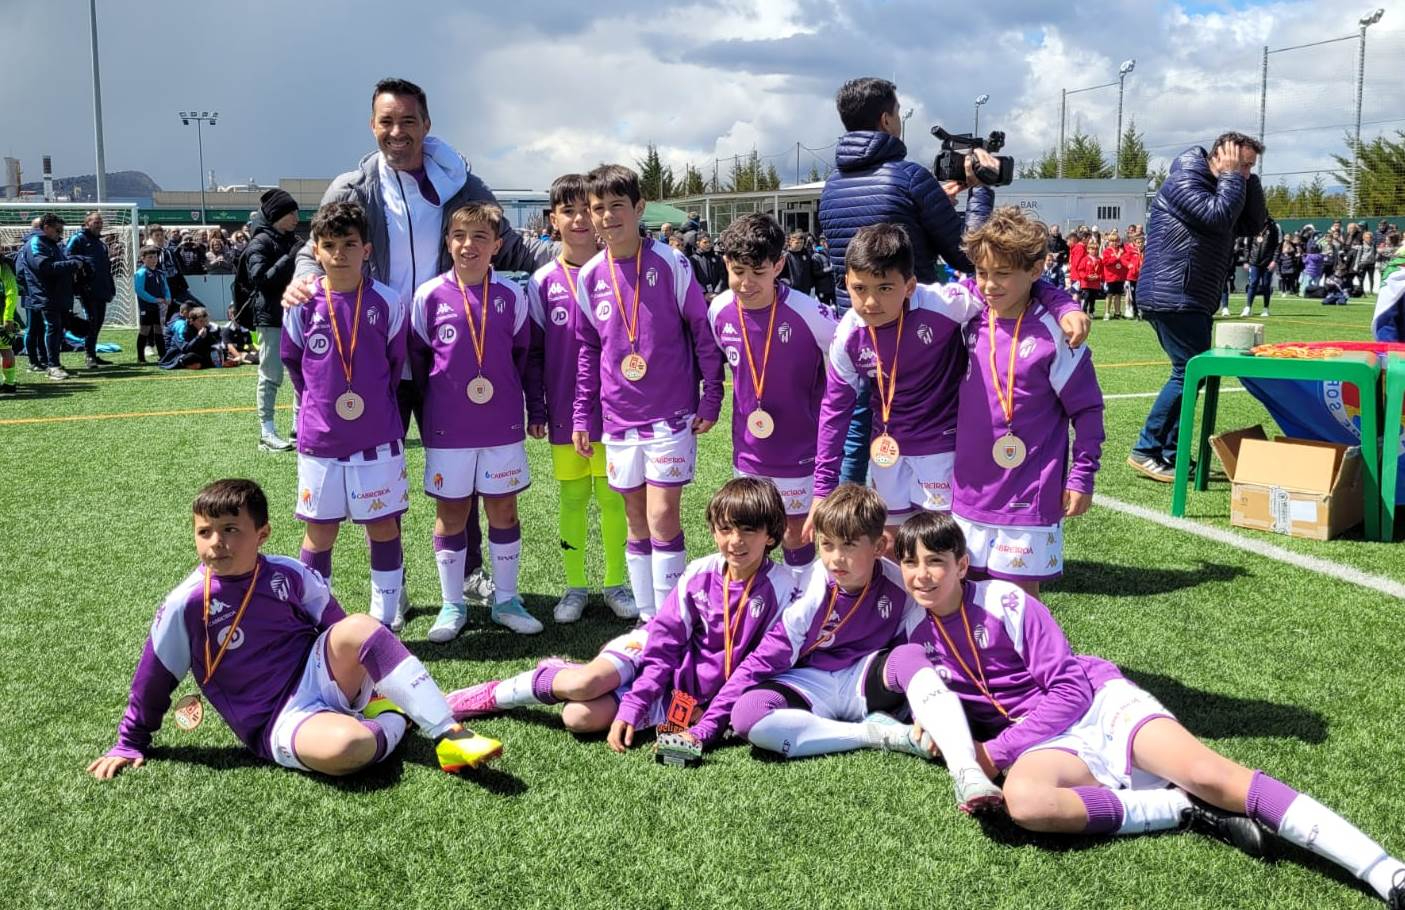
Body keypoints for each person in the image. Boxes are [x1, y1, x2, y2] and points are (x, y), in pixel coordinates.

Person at [890, 511, 1405, 908]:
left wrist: (996, 751)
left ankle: (1384, 870)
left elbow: (1069, 690)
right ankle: (1179, 809)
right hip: (1045, 742)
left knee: (1210, 774)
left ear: (961, 565)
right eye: (911, 563)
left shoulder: (1006, 601)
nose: (922, 575)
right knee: (1025, 804)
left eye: (936, 561)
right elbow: (938, 700)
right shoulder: (916, 635)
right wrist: (930, 724)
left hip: (1095, 704)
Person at [286, 77, 552, 612]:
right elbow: (317, 246)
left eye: (408, 121)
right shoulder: (351, 187)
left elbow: (511, 244)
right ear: (372, 126)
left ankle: (471, 576)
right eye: (387, 121)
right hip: (373, 356)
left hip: (446, 356)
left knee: (462, 470)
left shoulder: (460, 183)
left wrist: (573, 263)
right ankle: (395, 587)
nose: (397, 132)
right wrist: (302, 278)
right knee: (379, 481)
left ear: (426, 125)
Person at [87, 479, 502, 780]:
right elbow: (153, 678)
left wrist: (364, 674)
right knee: (350, 748)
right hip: (276, 719)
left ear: (262, 534)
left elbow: (340, 629)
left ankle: (448, 733)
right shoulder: (187, 603)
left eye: (230, 529)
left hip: (317, 673)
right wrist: (131, 740)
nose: (216, 542)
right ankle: (395, 715)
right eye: (204, 532)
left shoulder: (288, 573)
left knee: (360, 625)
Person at [448, 478, 794, 752]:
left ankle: (571, 671)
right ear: (713, 531)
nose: (735, 541)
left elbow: (754, 671)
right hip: (649, 651)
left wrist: (706, 725)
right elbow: (664, 644)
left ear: (771, 535)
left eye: (749, 530)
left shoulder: (784, 591)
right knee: (583, 684)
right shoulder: (699, 574)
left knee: (577, 717)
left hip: (686, 695)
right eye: (726, 529)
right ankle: (493, 695)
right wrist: (633, 706)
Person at [712, 484, 1002, 810]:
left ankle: (967, 772)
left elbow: (925, 646)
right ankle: (878, 734)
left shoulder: (899, 584)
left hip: (864, 677)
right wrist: (707, 727)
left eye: (849, 545)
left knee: (910, 655)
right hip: (809, 682)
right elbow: (763, 660)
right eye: (827, 545)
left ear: (879, 546)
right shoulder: (810, 588)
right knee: (748, 716)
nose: (836, 558)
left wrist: (921, 709)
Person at [811, 223, 1085, 533]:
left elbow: (1013, 283)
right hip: (887, 452)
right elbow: (834, 411)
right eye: (859, 289)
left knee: (940, 544)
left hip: (942, 449)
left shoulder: (943, 303)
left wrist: (1063, 305)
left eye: (884, 288)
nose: (871, 302)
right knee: (890, 543)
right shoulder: (848, 335)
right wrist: (822, 489)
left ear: (910, 286)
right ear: (846, 283)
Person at [818, 77, 996, 487]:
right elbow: (966, 254)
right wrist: (981, 191)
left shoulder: (832, 186)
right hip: (912, 324)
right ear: (886, 119)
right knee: (926, 428)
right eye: (897, 114)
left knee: (857, 425)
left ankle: (847, 514)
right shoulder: (909, 177)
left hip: (858, 326)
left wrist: (931, 203)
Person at [571, 164, 725, 622]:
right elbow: (588, 350)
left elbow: (701, 331)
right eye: (599, 208)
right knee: (636, 519)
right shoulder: (590, 276)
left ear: (639, 208)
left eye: (617, 205)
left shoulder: (672, 263)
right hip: (619, 419)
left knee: (662, 516)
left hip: (670, 415)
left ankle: (671, 618)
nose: (607, 216)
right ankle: (645, 617)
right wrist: (582, 414)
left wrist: (712, 394)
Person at [408, 202, 546, 640]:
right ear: (448, 242)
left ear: (496, 245)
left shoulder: (512, 296)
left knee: (504, 510)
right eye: (460, 236)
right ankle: (452, 605)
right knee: (451, 513)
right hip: (449, 428)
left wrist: (532, 408)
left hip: (501, 426)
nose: (469, 245)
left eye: (480, 237)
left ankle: (506, 600)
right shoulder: (428, 296)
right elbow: (418, 360)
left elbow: (524, 357)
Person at [952, 208, 1104, 596]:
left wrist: (1082, 475)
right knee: (966, 598)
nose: (989, 285)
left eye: (1002, 274)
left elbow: (1087, 410)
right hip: (969, 493)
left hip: (1027, 495)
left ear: (1035, 270)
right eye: (982, 272)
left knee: (1018, 604)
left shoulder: (1055, 333)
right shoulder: (968, 315)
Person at [281, 201, 408, 629]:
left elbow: (394, 363)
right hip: (320, 440)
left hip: (377, 437)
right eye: (330, 245)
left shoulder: (387, 301)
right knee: (320, 533)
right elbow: (294, 361)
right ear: (316, 250)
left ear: (366, 250)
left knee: (383, 526)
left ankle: (383, 619)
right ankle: (317, 620)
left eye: (349, 244)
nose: (339, 254)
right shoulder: (301, 304)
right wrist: (318, 403)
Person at [524, 174, 634, 625]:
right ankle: (574, 587)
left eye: (586, 210)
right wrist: (537, 407)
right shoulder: (541, 282)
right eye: (567, 212)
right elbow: (533, 352)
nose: (579, 220)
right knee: (572, 496)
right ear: (553, 220)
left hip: (616, 410)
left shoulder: (619, 271)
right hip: (565, 411)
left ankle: (616, 583)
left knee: (612, 498)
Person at [1129, 132, 1267, 482]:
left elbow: (1251, 225)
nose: (1244, 172)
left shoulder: (1227, 185)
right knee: (1188, 371)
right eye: (1241, 164)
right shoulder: (1184, 180)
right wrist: (1233, 177)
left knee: (1194, 373)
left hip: (1190, 295)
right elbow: (1217, 217)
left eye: (1250, 167)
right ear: (1219, 156)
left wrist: (1247, 181)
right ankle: (1147, 449)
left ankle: (1172, 454)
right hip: (1173, 293)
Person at [709, 213, 836, 566]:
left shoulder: (809, 312)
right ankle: (760, 598)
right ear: (726, 264)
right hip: (749, 449)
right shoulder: (719, 310)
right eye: (738, 271)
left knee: (796, 533)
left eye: (758, 272)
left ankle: (801, 598)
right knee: (750, 533)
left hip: (801, 450)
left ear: (778, 265)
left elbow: (847, 353)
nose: (746, 283)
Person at [241, 188, 303, 452]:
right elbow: (261, 280)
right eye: (292, 213)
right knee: (271, 374)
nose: (297, 218)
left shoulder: (294, 240)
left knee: (302, 374)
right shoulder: (260, 242)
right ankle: (266, 433)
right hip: (271, 318)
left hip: (297, 316)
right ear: (277, 215)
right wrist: (290, 258)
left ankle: (298, 427)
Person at [16, 213, 83, 381]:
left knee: (55, 329)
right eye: (58, 230)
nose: (60, 234)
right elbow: (44, 267)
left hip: (54, 294)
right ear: (46, 228)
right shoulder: (36, 243)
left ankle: (52, 363)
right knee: (45, 328)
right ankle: (49, 365)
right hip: (44, 294)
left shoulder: (50, 243)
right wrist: (73, 264)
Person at [65, 211, 116, 368]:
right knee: (91, 321)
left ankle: (92, 353)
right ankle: (89, 356)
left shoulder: (101, 243)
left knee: (98, 322)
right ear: (87, 224)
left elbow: (105, 268)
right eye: (95, 222)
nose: (99, 225)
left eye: (100, 222)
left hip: (101, 289)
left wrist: (110, 287)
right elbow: (67, 257)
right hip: (86, 289)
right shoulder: (78, 238)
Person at [132, 246, 170, 365]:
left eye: (155, 257)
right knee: (145, 330)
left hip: (159, 307)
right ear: (143, 259)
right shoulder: (141, 273)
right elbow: (139, 290)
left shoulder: (160, 273)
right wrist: (154, 300)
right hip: (147, 307)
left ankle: (163, 356)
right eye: (150, 257)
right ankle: (141, 358)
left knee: (159, 330)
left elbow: (165, 287)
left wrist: (168, 297)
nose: (153, 259)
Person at [688, 232, 726, 301]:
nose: (708, 244)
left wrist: (717, 291)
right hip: (701, 297)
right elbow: (693, 278)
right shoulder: (693, 259)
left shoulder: (717, 258)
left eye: (709, 242)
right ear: (698, 243)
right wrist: (704, 293)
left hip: (716, 296)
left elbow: (722, 276)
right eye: (705, 242)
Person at [1100, 231, 1127, 320]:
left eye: (1116, 241)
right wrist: (1116, 257)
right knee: (1109, 295)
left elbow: (1125, 261)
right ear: (1109, 242)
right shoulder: (1107, 251)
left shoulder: (1121, 250)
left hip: (1119, 277)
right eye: (1112, 241)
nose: (1114, 243)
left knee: (1118, 295)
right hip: (1110, 277)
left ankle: (1117, 312)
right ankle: (1107, 312)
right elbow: (1106, 262)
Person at [0, 250, 16, 394]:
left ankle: (10, 383)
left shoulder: (4, 267)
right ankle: (9, 383)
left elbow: (11, 292)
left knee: (5, 349)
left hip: (3, 316)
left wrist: (8, 317)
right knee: (6, 349)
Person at [1123, 234, 1144, 319]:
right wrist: (1129, 264)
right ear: (1135, 243)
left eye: (1141, 242)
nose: (1140, 244)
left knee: (1142, 295)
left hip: (1142, 277)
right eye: (1138, 242)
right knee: (1133, 295)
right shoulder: (1132, 251)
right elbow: (1123, 259)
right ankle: (1136, 312)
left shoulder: (1146, 252)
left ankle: (1142, 311)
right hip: (1133, 277)